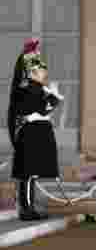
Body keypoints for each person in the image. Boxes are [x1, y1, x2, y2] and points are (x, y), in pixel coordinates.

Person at [8, 38, 64, 221]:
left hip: (34, 132)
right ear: (32, 72)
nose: (44, 73)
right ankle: (26, 209)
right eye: (40, 71)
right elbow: (40, 108)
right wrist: (53, 100)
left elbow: (42, 107)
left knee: (30, 175)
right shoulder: (28, 87)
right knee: (28, 174)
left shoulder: (35, 87)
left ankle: (28, 207)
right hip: (30, 133)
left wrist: (51, 97)